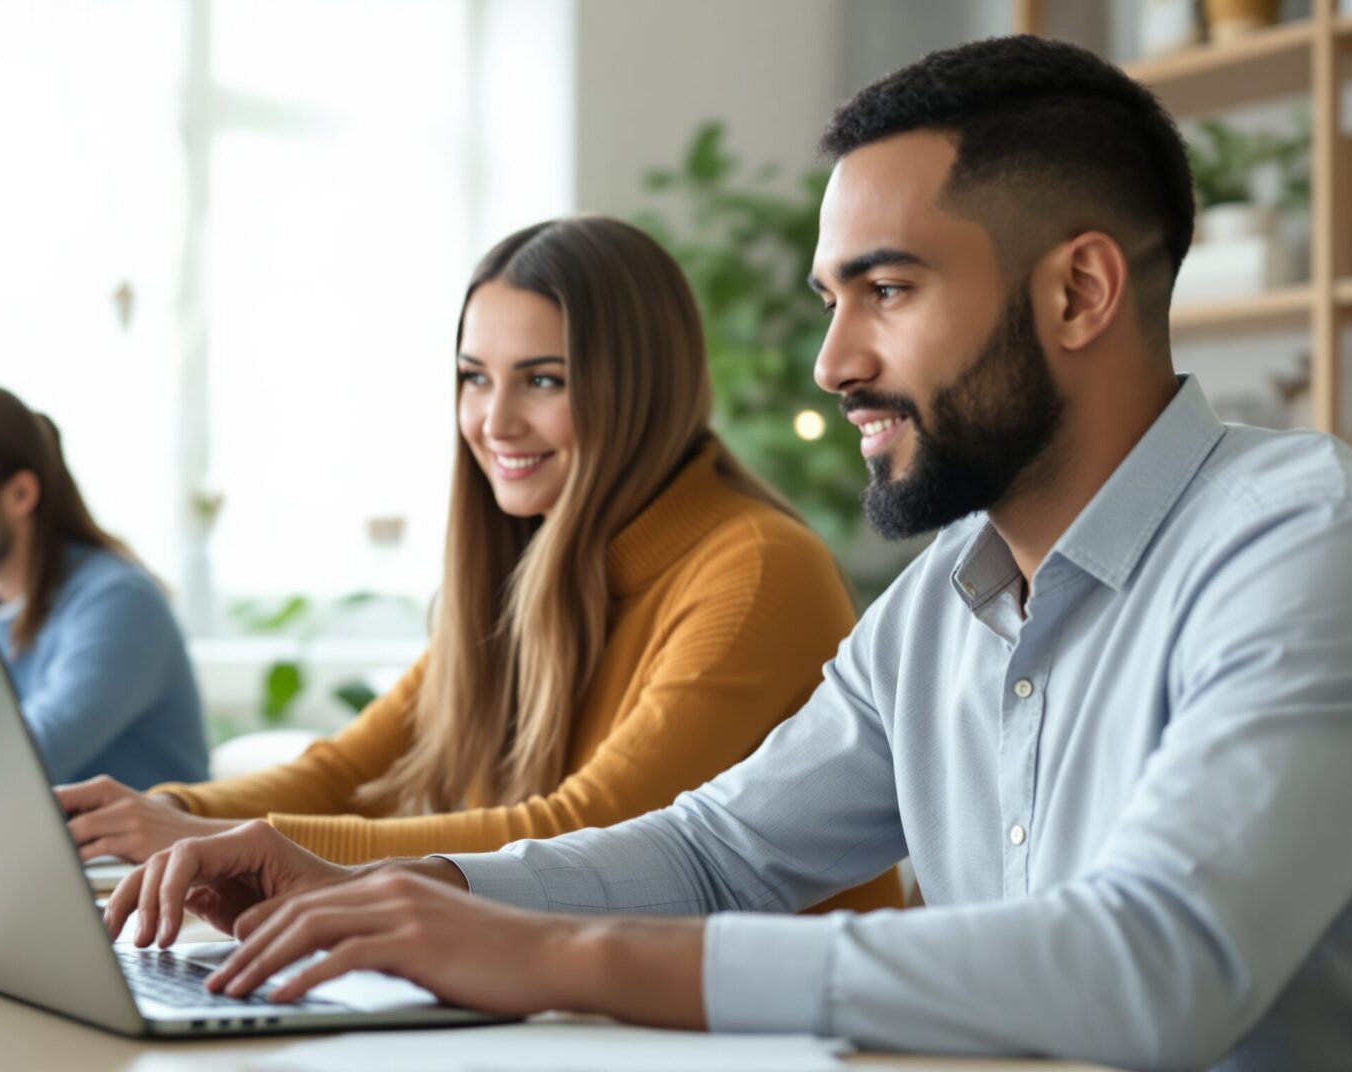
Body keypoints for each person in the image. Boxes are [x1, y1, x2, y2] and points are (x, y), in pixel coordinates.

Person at [107, 37, 1352, 1072]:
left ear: (1077, 293)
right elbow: (715, 853)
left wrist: (560, 956)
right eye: (831, 299)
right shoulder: (932, 614)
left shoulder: (1316, 546)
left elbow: (1159, 966)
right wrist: (386, 882)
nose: (832, 363)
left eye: (888, 292)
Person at [60, 217, 902, 914]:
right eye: (473, 378)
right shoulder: (533, 562)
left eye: (541, 380)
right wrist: (165, 814)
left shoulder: (755, 569)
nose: (494, 421)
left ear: (639, 390)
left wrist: (221, 845)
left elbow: (585, 834)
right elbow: (352, 773)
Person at [0, 386, 208, 789]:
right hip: (24, 843)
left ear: (20, 494)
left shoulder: (120, 602)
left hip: (137, 853)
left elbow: (26, 759)